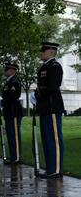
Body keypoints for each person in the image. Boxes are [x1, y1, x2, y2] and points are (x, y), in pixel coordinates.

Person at [35, 42, 65, 179]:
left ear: (52, 52)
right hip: (45, 107)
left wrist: (39, 92)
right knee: (47, 139)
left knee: (54, 139)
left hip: (53, 107)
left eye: (44, 51)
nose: (41, 53)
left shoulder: (55, 66)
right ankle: (50, 169)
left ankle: (56, 169)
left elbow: (53, 86)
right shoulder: (44, 67)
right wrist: (37, 93)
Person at [1, 62, 23, 165]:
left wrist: (2, 102)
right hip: (9, 111)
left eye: (7, 69)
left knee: (14, 135)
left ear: (12, 71)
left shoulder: (14, 82)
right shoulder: (7, 82)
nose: (5, 71)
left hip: (14, 111)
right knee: (10, 135)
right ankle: (13, 156)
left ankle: (16, 157)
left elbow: (12, 97)